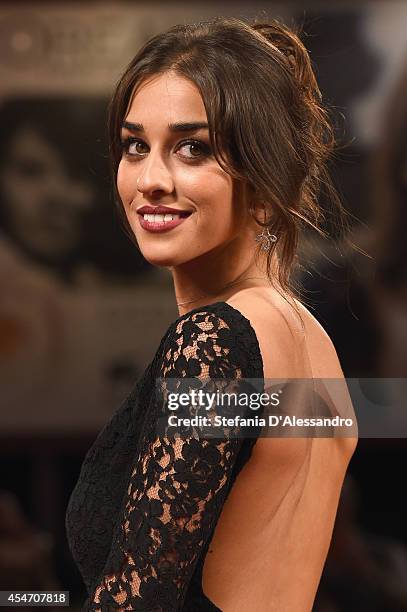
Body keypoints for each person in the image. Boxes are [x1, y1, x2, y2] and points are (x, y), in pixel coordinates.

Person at [65, 16, 358, 611]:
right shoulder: (312, 340)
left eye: (192, 148)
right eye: (135, 146)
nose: (150, 179)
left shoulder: (214, 341)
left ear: (262, 168)